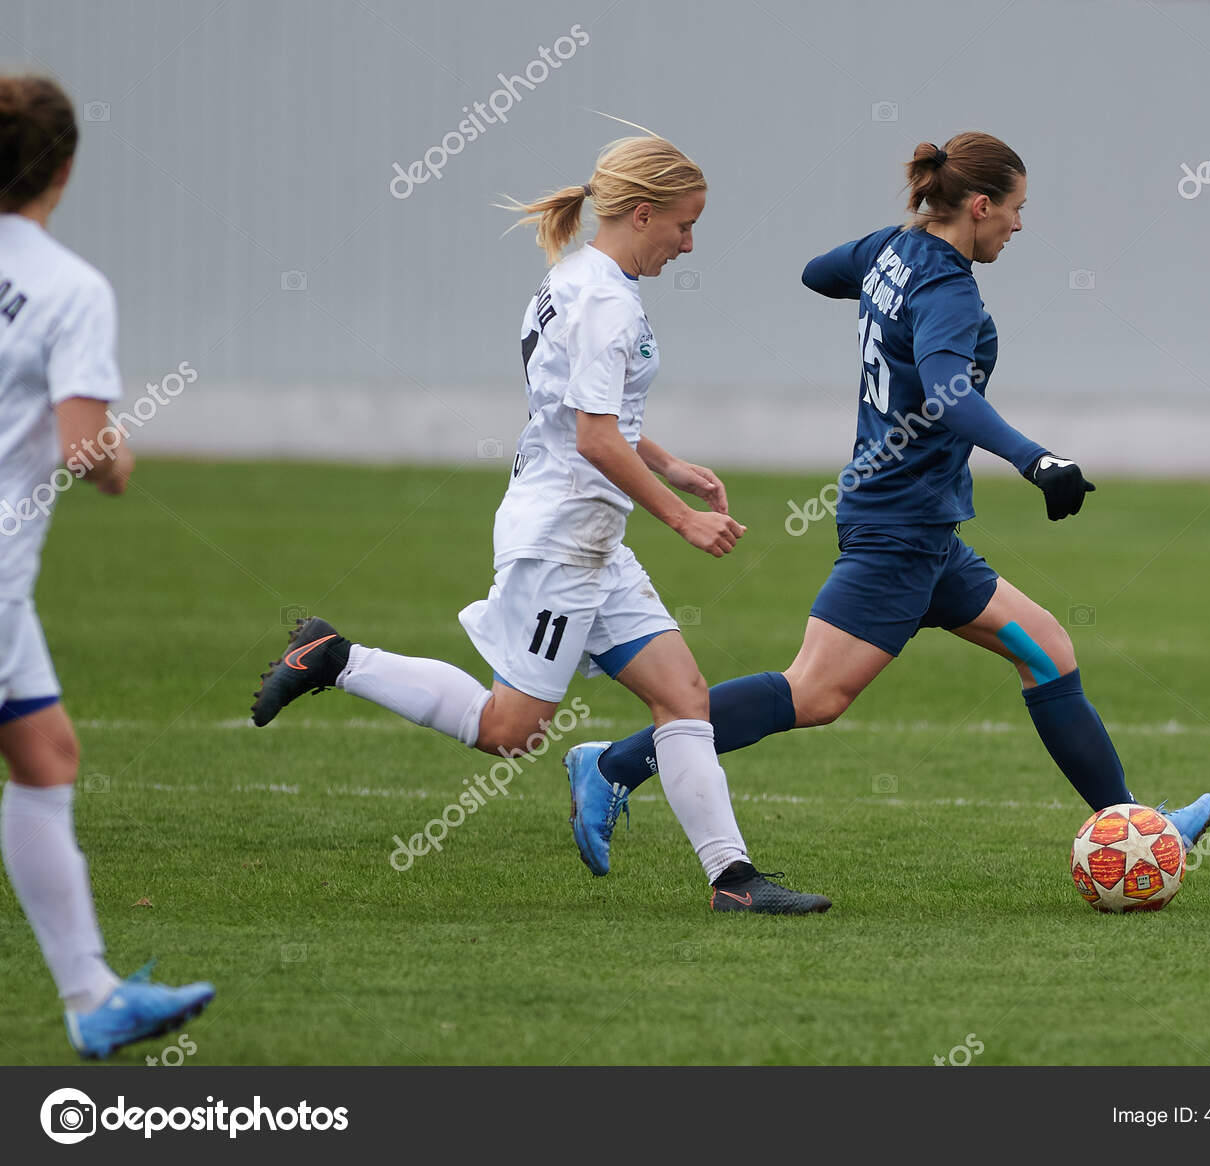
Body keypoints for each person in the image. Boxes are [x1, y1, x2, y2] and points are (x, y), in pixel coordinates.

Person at [566, 132, 1210, 876]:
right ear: (978, 205)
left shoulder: (895, 248)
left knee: (1048, 653)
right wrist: (1035, 458)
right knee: (811, 695)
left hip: (925, 525)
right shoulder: (947, 287)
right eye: (1015, 209)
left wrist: (884, 277)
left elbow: (818, 273)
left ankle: (1133, 827)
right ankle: (613, 765)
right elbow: (946, 390)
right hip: (898, 525)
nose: (1019, 225)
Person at [251, 133, 829, 914]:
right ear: (641, 211)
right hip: (563, 537)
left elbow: (585, 409)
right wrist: (680, 517)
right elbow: (591, 435)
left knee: (684, 696)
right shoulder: (604, 300)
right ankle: (337, 657)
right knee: (509, 730)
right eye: (684, 226)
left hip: (590, 534)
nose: (689, 245)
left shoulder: (578, 278)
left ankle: (735, 882)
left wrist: (664, 462)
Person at [0, 74, 215, 1058]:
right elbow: (89, 447)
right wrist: (119, 457)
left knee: (45, 754)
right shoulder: (68, 287)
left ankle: (91, 995)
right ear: (67, 168)